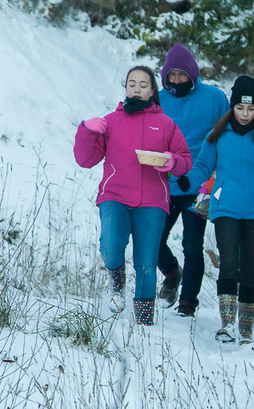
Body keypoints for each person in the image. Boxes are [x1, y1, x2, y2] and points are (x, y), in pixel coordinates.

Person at [177, 75, 254, 344]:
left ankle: (246, 328)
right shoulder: (217, 134)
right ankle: (227, 324)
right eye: (240, 108)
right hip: (225, 206)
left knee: (251, 269)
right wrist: (188, 181)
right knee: (229, 264)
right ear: (232, 106)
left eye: (251, 109)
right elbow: (203, 167)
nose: (245, 114)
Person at [74, 65, 192, 325]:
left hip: (152, 202)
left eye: (143, 85)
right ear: (125, 87)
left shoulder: (166, 124)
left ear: (152, 91)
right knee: (111, 247)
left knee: (147, 263)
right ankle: (117, 284)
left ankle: (144, 321)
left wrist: (171, 162)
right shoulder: (110, 122)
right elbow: (85, 160)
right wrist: (86, 131)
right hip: (114, 196)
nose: (136, 89)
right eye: (132, 84)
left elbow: (186, 160)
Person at [156, 44, 230, 315]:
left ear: (193, 74)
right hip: (163, 183)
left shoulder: (214, 97)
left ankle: (188, 302)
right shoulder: (158, 100)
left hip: (198, 185)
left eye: (182, 75)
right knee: (153, 240)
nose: (177, 80)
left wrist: (221, 175)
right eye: (171, 75)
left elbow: (228, 133)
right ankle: (172, 272)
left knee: (192, 245)